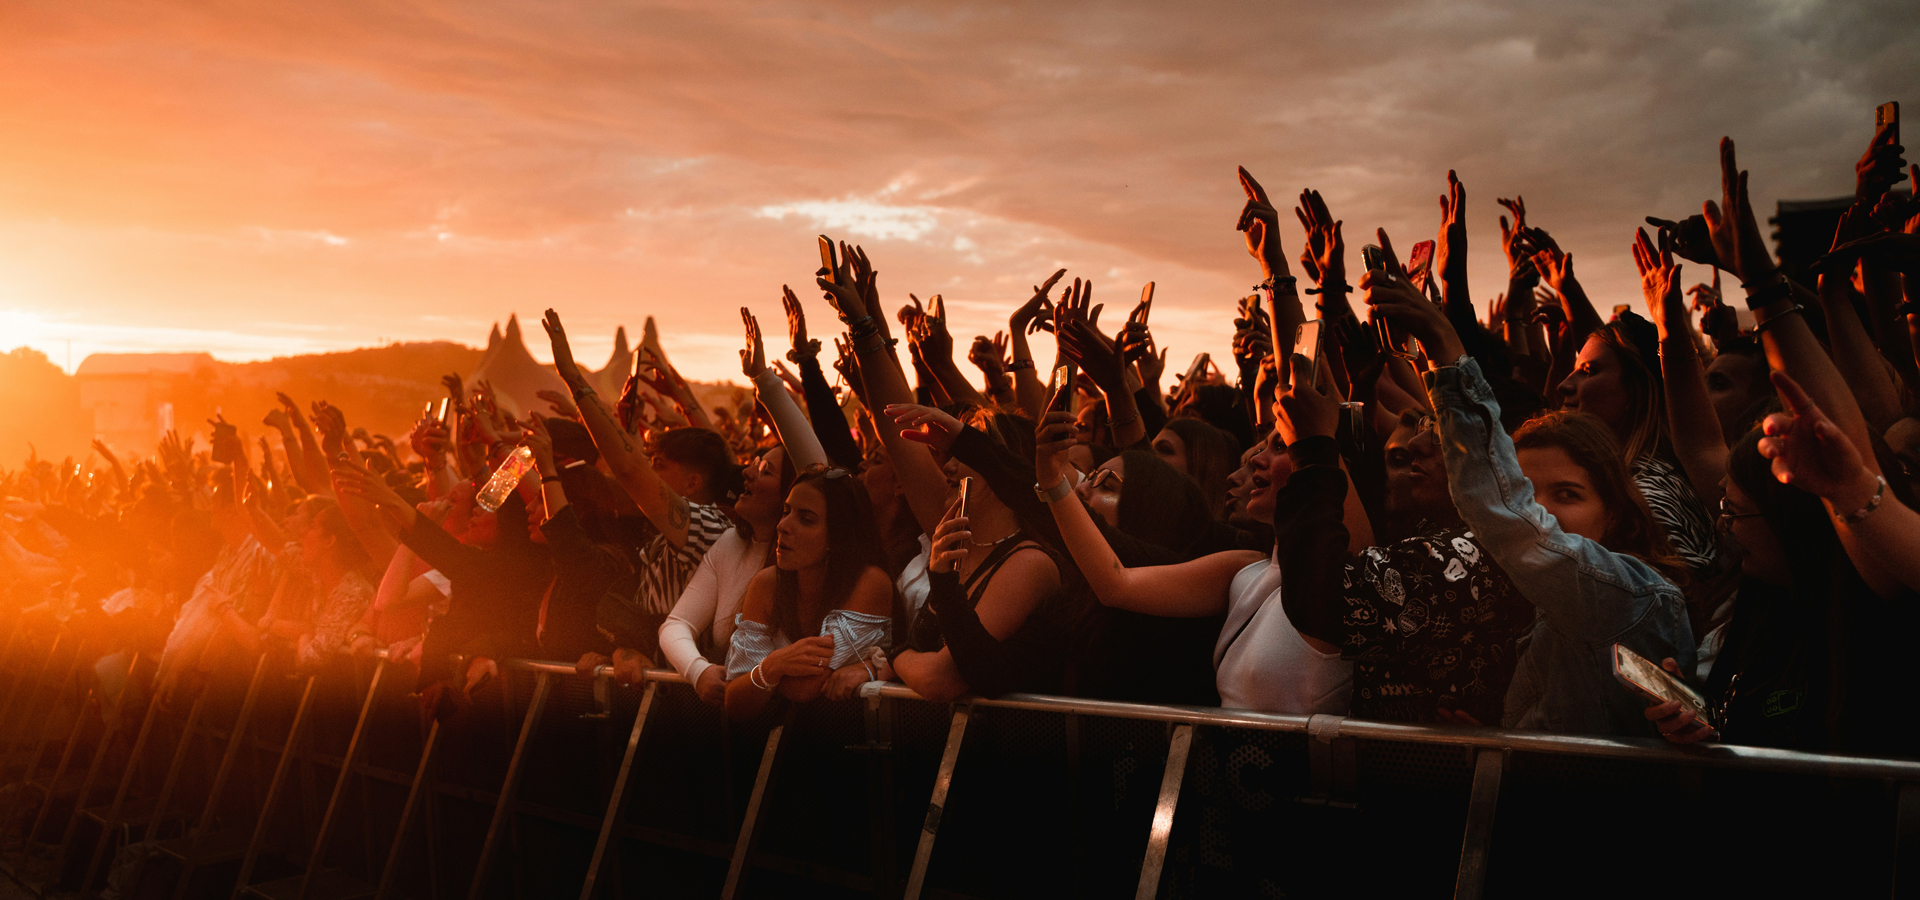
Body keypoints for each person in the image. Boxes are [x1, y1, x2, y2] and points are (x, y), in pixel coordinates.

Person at [1367, 254, 1696, 735]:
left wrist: (1446, 351)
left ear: (1618, 513)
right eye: (1527, 490)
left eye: (1567, 494)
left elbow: (1502, 510)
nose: (1536, 510)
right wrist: (1506, 741)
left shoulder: (1627, 597)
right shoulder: (1546, 606)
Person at [723, 466, 894, 720]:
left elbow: (805, 688)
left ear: (838, 536)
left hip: (862, 733)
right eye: (786, 512)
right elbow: (735, 702)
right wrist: (773, 665)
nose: (782, 525)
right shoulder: (767, 583)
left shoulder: (870, 581)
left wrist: (763, 675)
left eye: (806, 519)